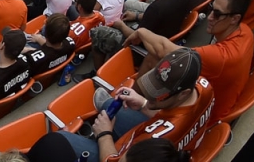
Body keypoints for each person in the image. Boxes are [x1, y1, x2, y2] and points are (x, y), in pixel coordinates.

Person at [126, 0, 254, 124]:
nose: (210, 17)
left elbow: (166, 51)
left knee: (154, 58)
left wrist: (142, 31)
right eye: (212, 8)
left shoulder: (221, 57)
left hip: (201, 117)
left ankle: (128, 105)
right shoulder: (246, 32)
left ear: (234, 18)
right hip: (215, 98)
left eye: (218, 14)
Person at [58, 48, 214, 162]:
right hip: (171, 141)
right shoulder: (204, 87)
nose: (150, 95)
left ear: (183, 94)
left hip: (126, 154)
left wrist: (104, 135)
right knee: (111, 104)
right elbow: (174, 116)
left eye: (159, 94)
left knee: (58, 139)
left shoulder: (153, 140)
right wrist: (144, 104)